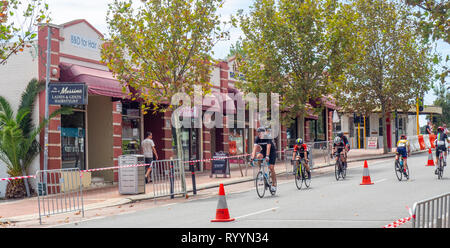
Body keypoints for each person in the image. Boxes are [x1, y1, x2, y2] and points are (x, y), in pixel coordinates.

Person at [251, 127, 277, 192]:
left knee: (271, 168)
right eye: (258, 133)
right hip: (264, 151)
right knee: (258, 156)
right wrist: (252, 157)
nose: (259, 134)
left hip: (271, 152)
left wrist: (267, 156)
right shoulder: (257, 139)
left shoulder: (267, 137)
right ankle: (261, 171)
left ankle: (274, 184)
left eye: (261, 133)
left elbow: (268, 147)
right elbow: (254, 148)